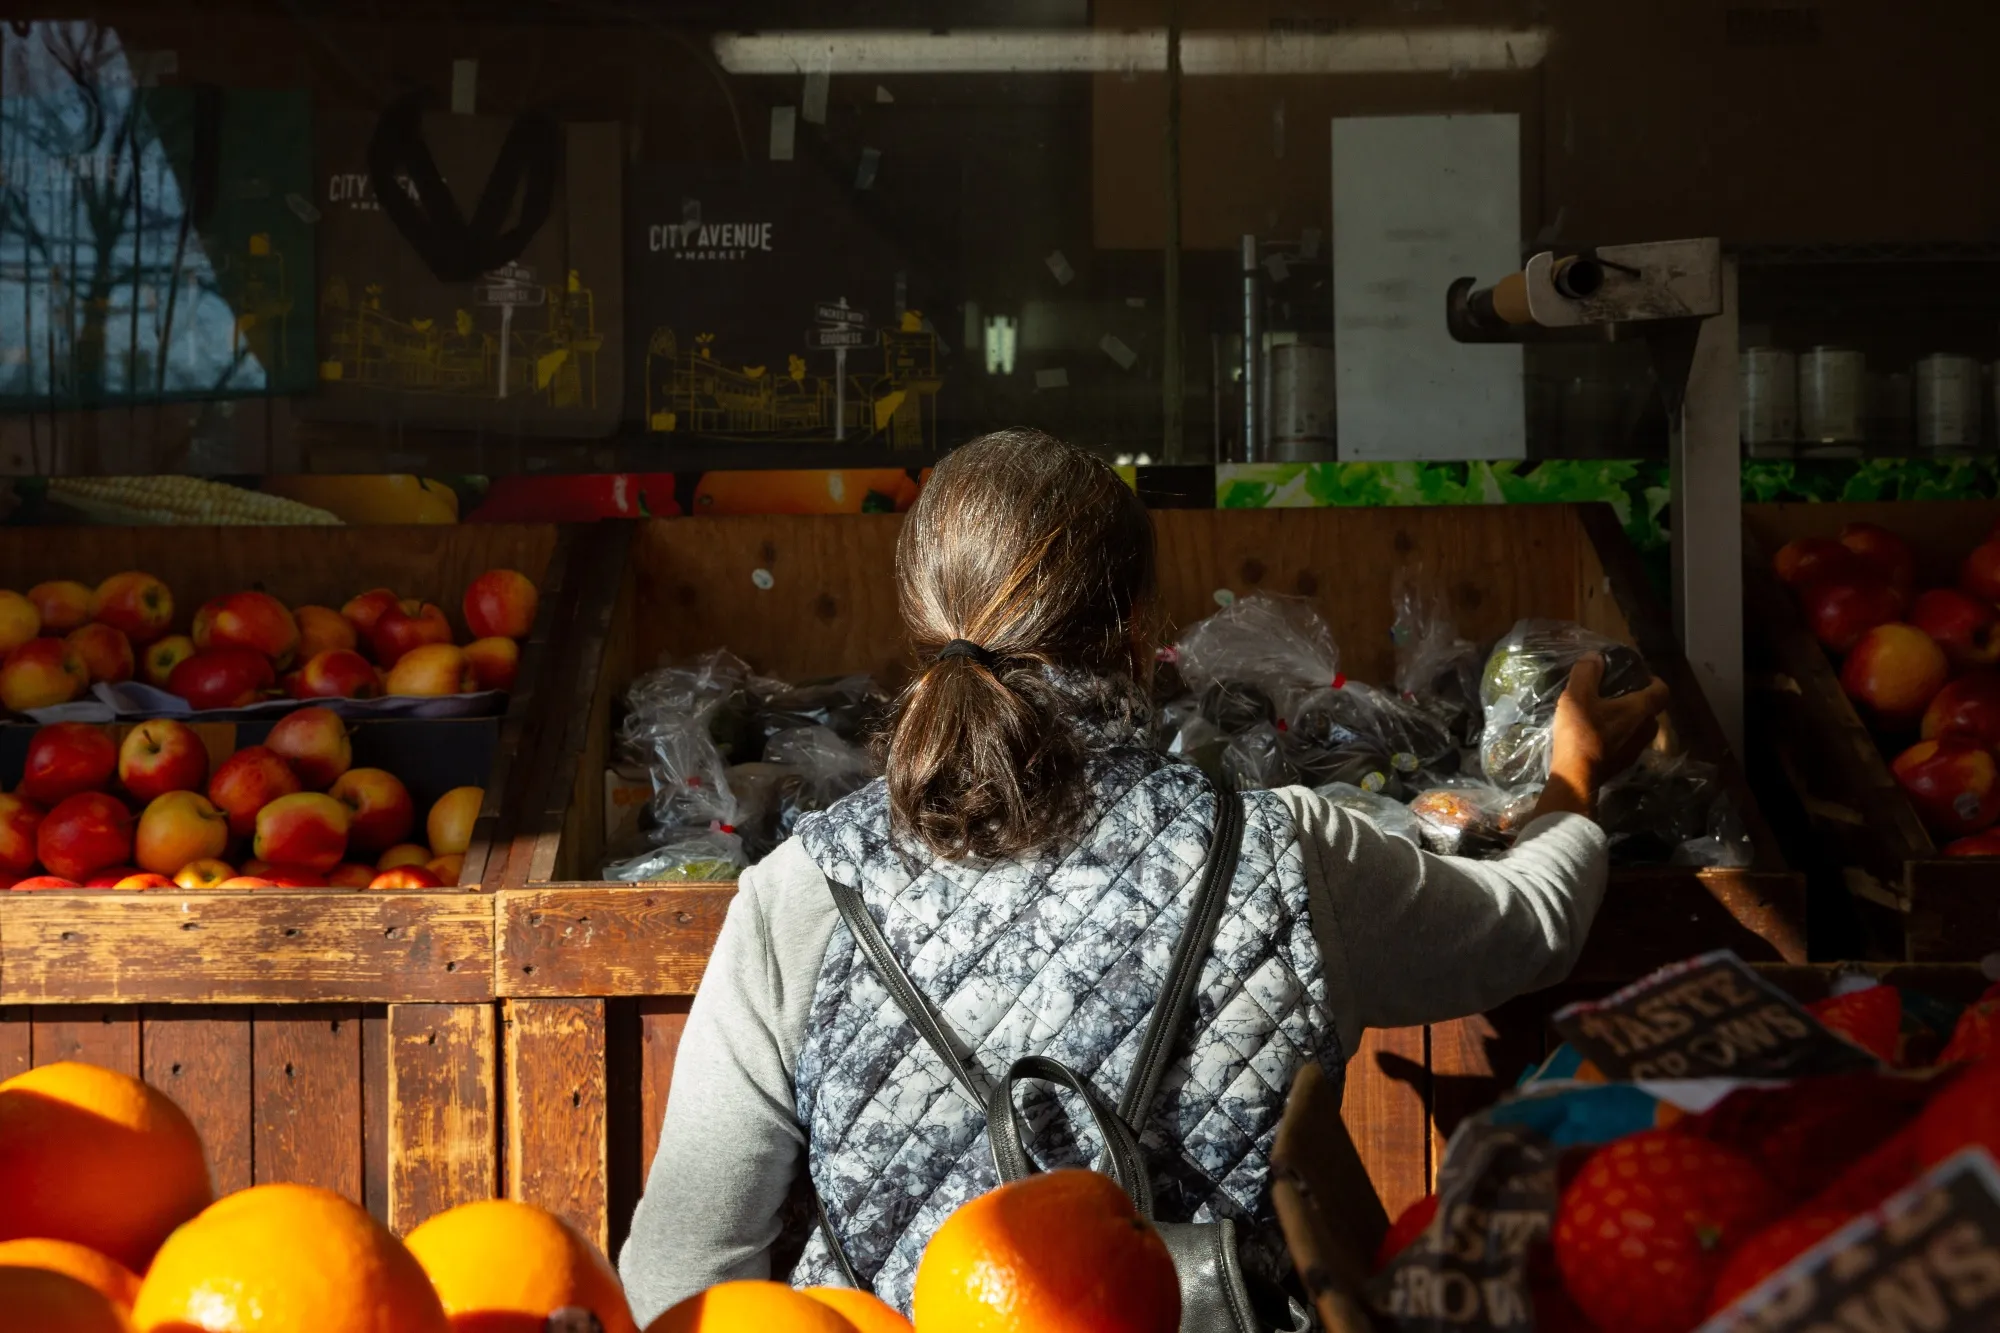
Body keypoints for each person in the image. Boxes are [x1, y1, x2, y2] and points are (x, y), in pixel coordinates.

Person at [618, 428, 1668, 1324]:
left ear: (921, 625)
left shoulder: (801, 890)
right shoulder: (1284, 848)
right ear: (1135, 631)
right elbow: (1530, 923)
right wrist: (1571, 778)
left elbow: (680, 1272)